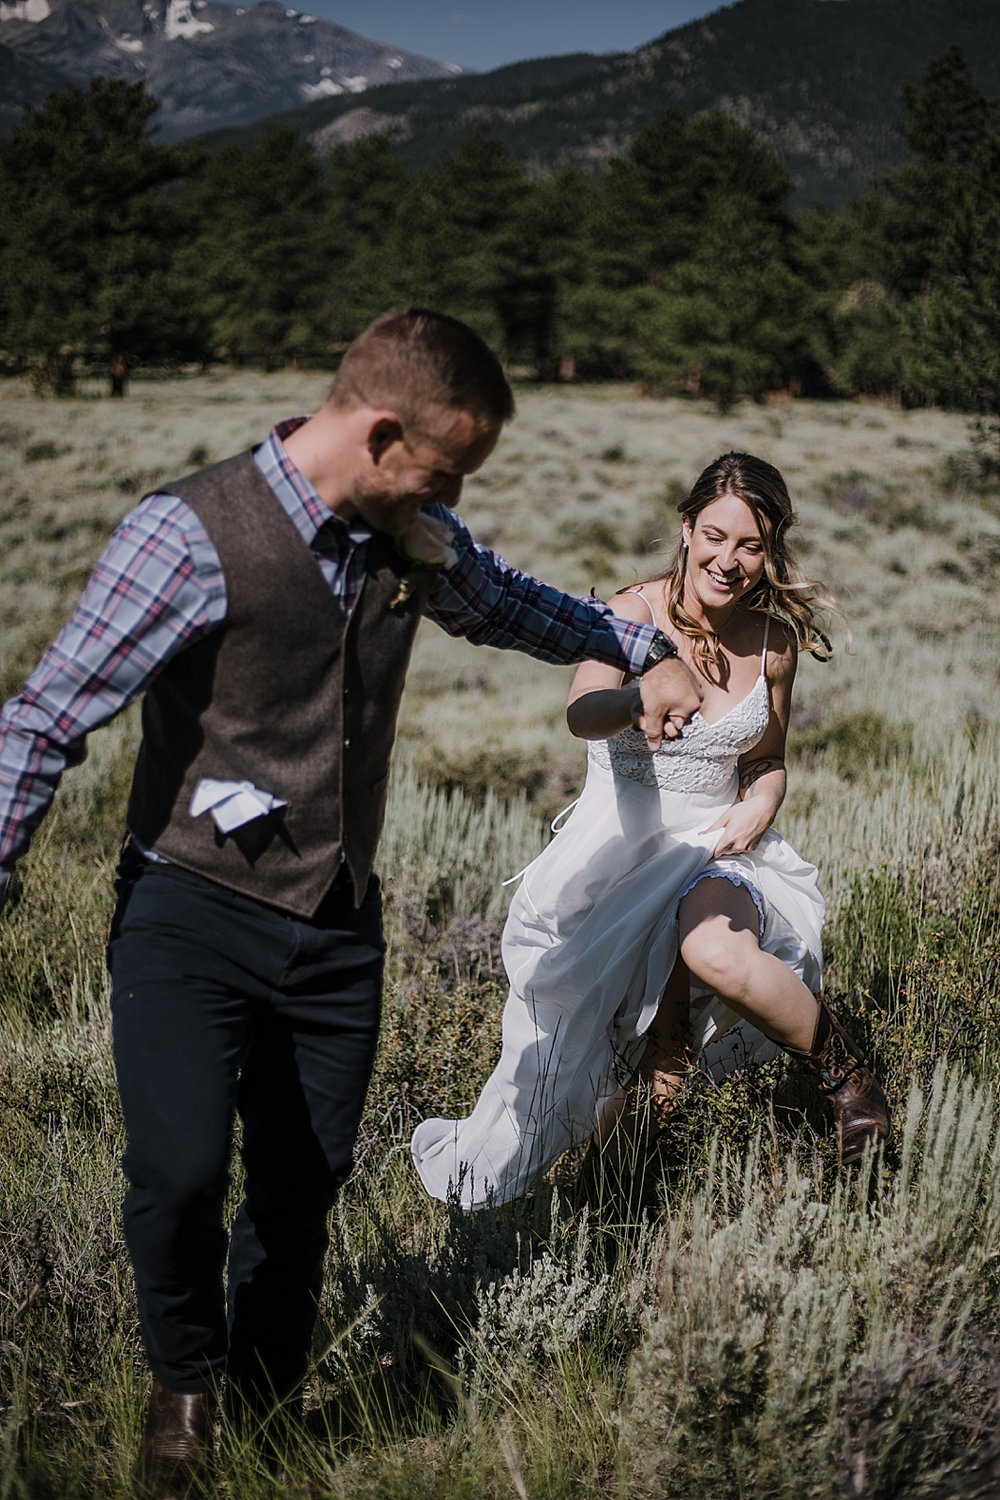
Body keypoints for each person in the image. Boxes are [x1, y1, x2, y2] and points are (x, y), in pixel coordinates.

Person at [0, 309, 703, 1497]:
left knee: (299, 1183)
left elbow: (507, 605)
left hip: (336, 923)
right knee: (175, 1174)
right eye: (444, 470)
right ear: (379, 431)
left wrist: (637, 647)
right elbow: (41, 719)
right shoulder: (187, 533)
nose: (451, 496)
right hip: (190, 906)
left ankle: (269, 1413)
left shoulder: (407, 531)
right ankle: (184, 1385)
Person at [412, 452, 892, 1211]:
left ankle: (853, 1086)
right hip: (620, 866)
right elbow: (582, 710)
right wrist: (637, 693)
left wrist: (764, 801)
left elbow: (768, 760)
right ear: (686, 528)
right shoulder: (631, 614)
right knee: (646, 1059)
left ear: (772, 552)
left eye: (751, 546)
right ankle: (612, 1205)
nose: (728, 561)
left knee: (714, 952)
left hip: (718, 851)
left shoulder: (773, 644)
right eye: (715, 536)